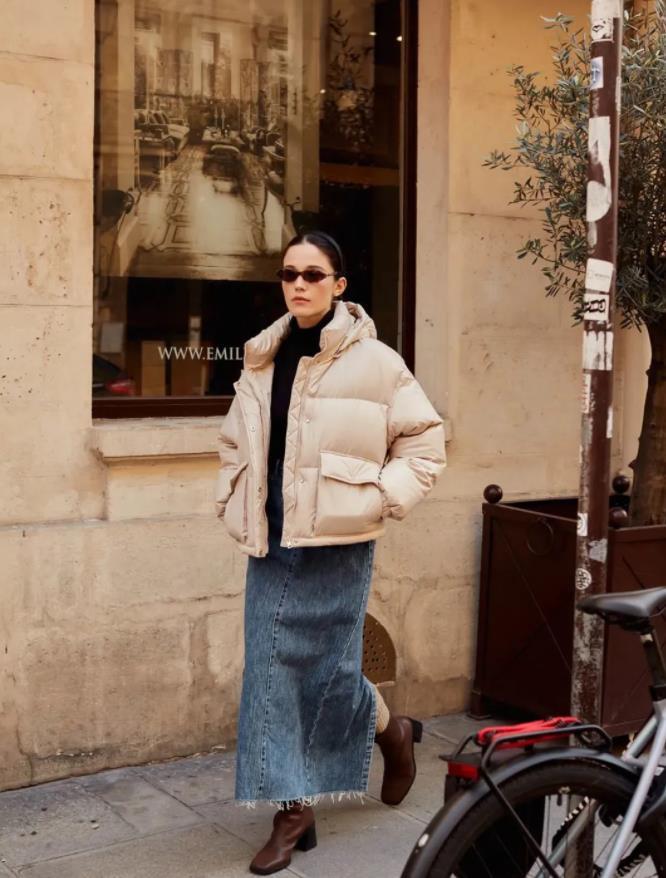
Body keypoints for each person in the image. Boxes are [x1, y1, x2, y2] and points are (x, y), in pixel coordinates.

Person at [215, 230, 446, 875]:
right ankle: (293, 810)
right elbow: (237, 439)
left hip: (339, 539)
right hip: (272, 533)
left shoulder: (378, 362)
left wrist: (379, 497)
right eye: (289, 274)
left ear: (339, 285)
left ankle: (392, 732)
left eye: (313, 275)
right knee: (269, 668)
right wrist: (232, 490)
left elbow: (424, 444)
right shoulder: (264, 353)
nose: (298, 285)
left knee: (330, 670)